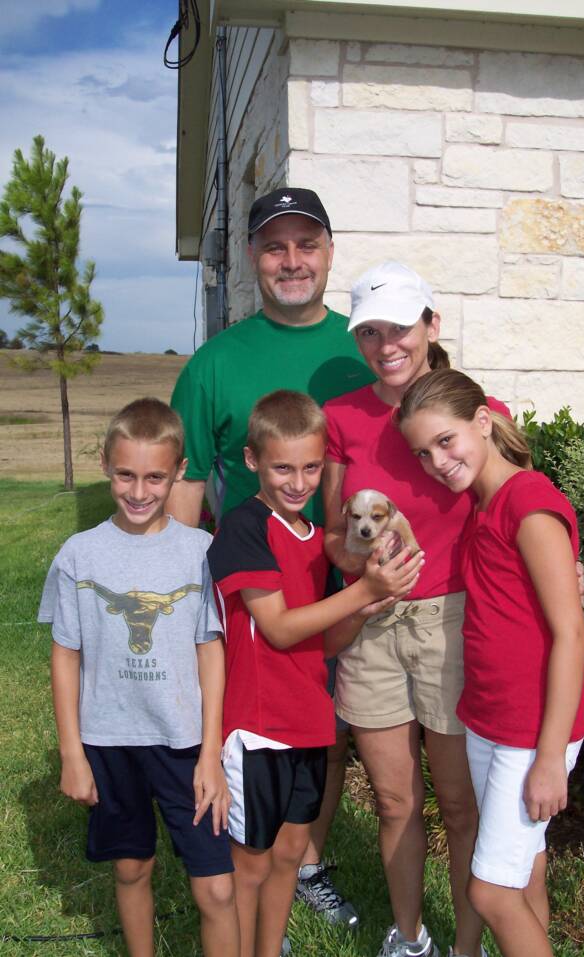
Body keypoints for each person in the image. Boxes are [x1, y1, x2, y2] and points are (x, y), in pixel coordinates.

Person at [169, 187, 374, 927]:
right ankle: (258, 865)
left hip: (347, 578)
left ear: (328, 251)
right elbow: (190, 481)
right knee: (264, 729)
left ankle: (307, 859)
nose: (292, 260)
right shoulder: (215, 363)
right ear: (254, 256)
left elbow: (444, 429)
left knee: (327, 729)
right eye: (275, 245)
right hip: (261, 593)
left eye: (306, 244)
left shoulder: (368, 348)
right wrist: (181, 606)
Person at [322, 261, 511, 957]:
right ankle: (409, 936)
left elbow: (519, 507)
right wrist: (368, 568)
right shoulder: (342, 416)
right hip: (372, 625)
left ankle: (467, 945)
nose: (384, 344)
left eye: (398, 327)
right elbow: (338, 539)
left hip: (455, 627)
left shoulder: (478, 408)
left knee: (461, 806)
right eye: (369, 332)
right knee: (396, 801)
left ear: (432, 325)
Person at [207, 390, 424, 957]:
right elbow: (278, 628)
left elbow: (322, 640)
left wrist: (364, 608)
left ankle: (269, 947)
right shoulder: (244, 527)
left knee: (287, 855)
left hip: (308, 721)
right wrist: (365, 589)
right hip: (258, 727)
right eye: (282, 467)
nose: (298, 482)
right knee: (250, 866)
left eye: (310, 467)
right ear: (252, 461)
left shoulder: (311, 538)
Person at [397, 369, 584, 957]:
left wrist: (551, 758)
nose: (436, 461)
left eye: (446, 441)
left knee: (488, 892)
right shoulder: (486, 503)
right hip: (489, 719)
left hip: (531, 731)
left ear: (483, 422)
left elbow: (572, 633)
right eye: (423, 452)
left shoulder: (529, 503)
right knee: (521, 871)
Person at [39, 398, 239, 957]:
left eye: (155, 476)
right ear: (105, 462)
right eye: (125, 474)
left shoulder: (202, 552)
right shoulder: (80, 556)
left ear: (180, 472)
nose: (139, 491)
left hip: (185, 744)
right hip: (108, 742)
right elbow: (65, 655)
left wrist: (210, 752)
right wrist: (72, 753)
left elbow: (210, 651)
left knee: (217, 887)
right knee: (131, 868)